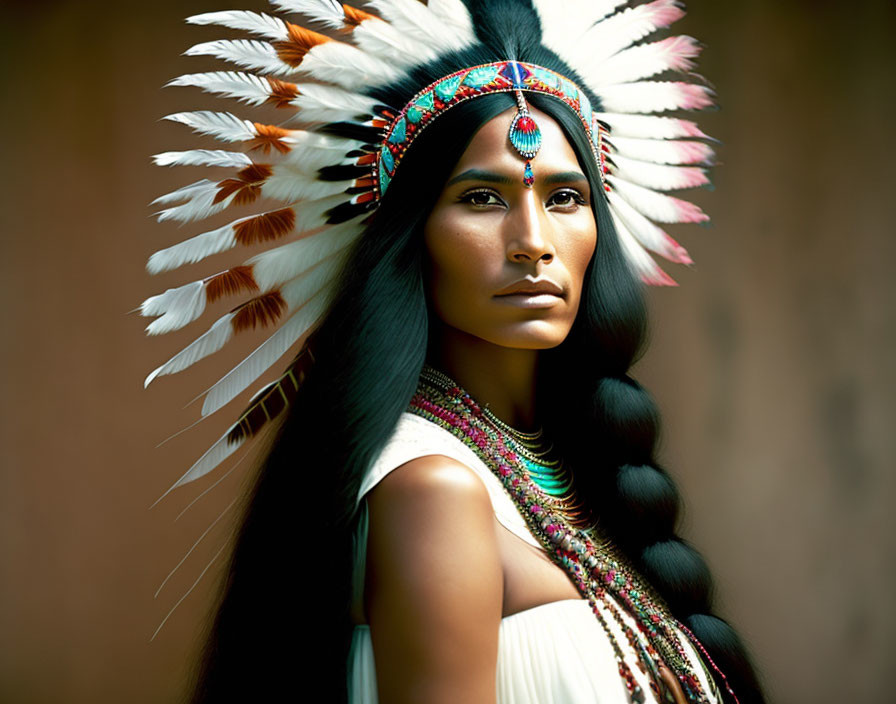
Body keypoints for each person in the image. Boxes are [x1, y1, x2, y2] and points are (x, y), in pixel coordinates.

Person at [142, 1, 766, 702]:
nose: (533, 240)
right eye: (481, 198)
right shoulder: (434, 493)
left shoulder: (561, 474)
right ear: (412, 235)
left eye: (564, 197)